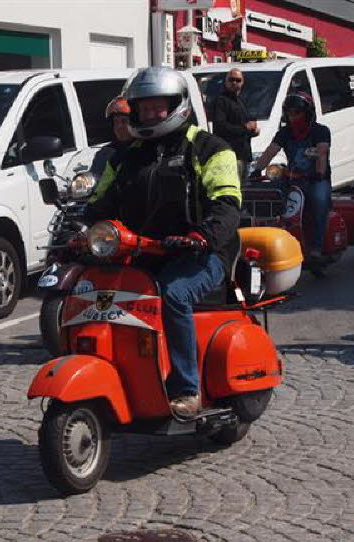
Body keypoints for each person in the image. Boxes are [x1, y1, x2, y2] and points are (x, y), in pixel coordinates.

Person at [87, 67, 241, 418]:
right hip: (141, 251)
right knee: (91, 287)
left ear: (177, 105)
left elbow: (227, 204)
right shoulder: (126, 156)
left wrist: (202, 236)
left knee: (173, 293)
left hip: (202, 254)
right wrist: (85, 230)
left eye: (158, 107)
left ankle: (187, 389)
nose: (150, 114)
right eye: (143, 108)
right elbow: (101, 201)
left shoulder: (210, 149)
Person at [251, 92, 332, 259]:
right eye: (289, 113)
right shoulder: (285, 132)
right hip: (292, 178)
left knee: (319, 201)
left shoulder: (321, 131)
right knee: (270, 198)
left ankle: (317, 246)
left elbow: (322, 153)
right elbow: (271, 151)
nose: (292, 116)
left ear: (307, 113)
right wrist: (257, 169)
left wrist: (319, 173)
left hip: (315, 180)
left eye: (297, 112)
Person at [212, 67, 258, 181]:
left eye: (238, 80)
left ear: (242, 83)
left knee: (245, 193)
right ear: (226, 81)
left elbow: (244, 127)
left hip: (245, 156)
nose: (234, 83)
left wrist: (253, 131)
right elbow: (220, 127)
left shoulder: (240, 101)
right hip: (231, 156)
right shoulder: (221, 101)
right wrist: (245, 128)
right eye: (231, 80)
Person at [90, 96, 134, 176]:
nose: (119, 127)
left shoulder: (144, 149)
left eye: (124, 121)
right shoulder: (105, 153)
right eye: (116, 122)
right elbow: (95, 180)